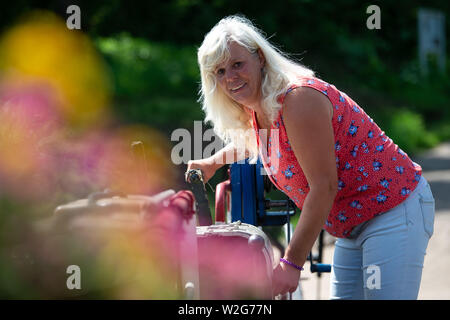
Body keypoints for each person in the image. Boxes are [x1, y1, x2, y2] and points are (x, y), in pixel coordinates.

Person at [186, 15, 435, 299]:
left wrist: (291, 262)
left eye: (237, 64)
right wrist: (212, 162)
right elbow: (258, 141)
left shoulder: (298, 99)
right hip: (349, 225)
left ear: (260, 59)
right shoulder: (260, 109)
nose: (230, 77)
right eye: (219, 71)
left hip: (392, 209)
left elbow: (324, 185)